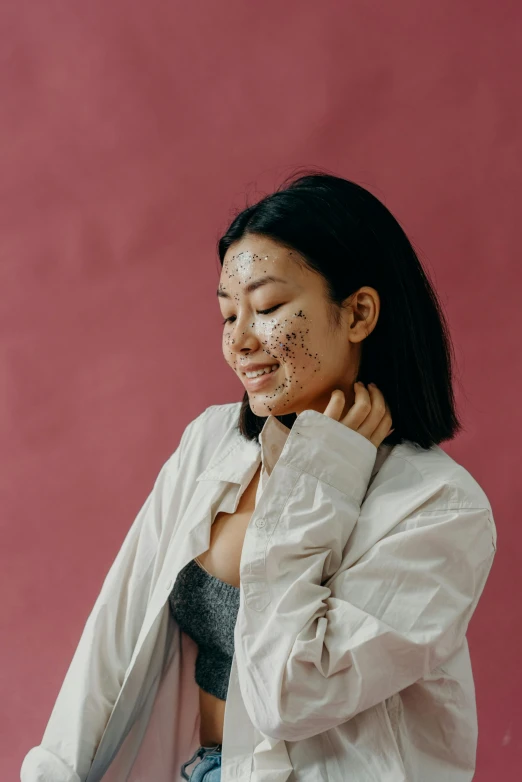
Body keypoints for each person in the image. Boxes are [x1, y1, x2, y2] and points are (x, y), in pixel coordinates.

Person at [21, 171, 496, 782]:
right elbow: (117, 631)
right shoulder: (212, 442)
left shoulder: (439, 508)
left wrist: (322, 478)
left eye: (268, 308)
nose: (240, 341)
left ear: (359, 313)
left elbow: (288, 696)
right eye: (227, 315)